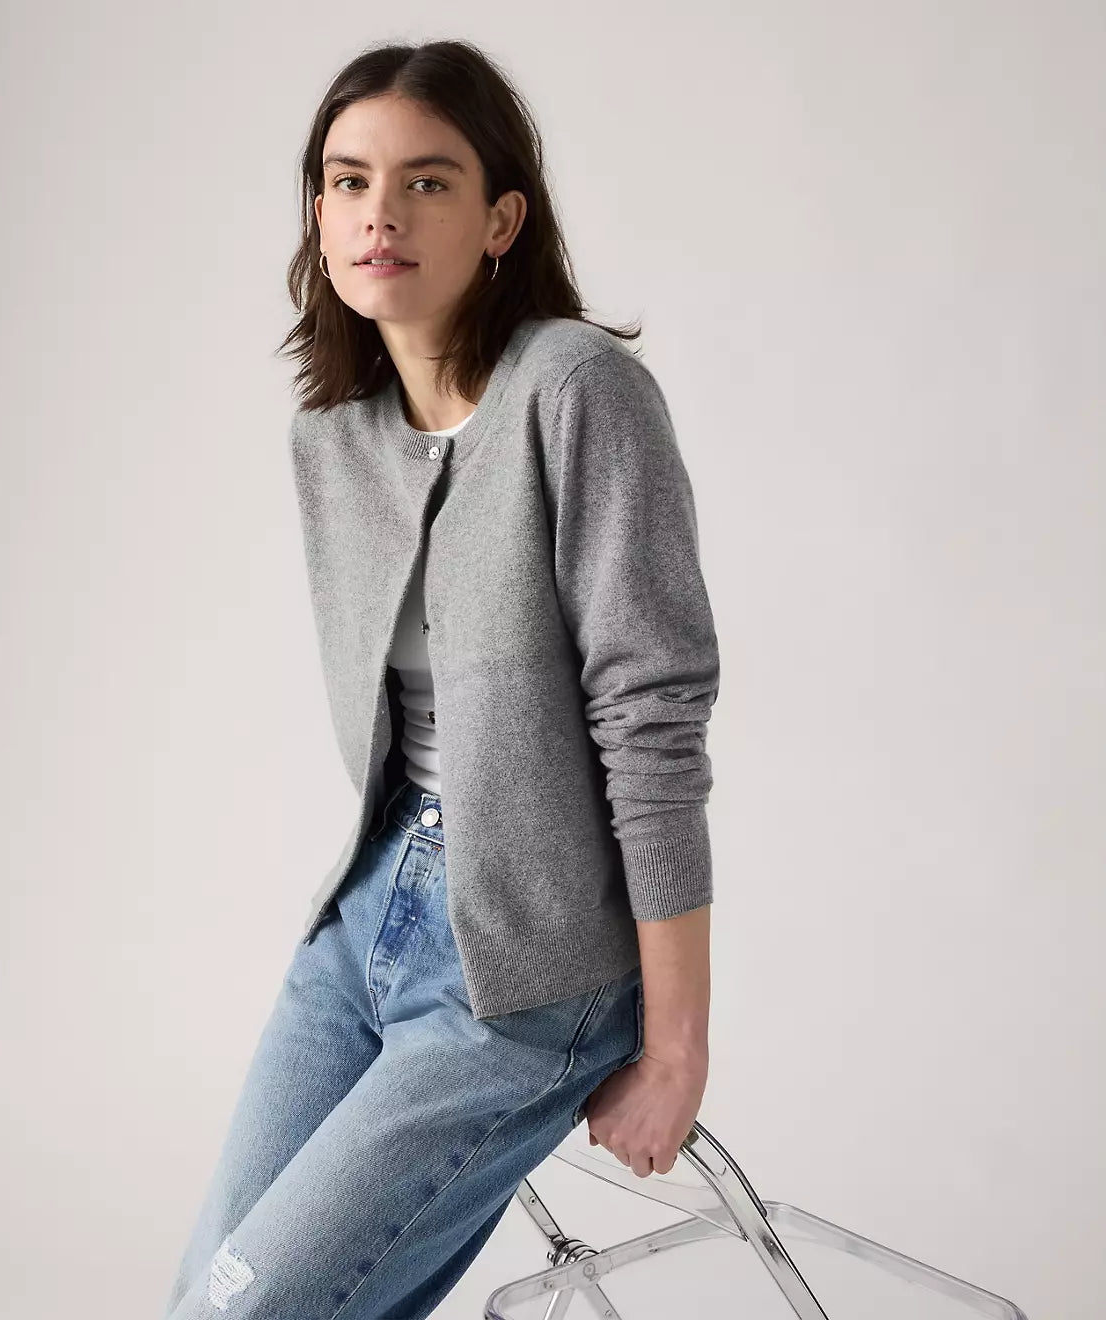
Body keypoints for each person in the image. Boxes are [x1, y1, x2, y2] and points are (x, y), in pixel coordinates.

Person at [163, 38, 717, 1320]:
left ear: (500, 219)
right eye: (349, 182)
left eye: (426, 182)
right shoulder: (333, 436)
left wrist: (675, 1042)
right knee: (207, 1295)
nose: (381, 215)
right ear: (319, 216)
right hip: (365, 919)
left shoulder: (578, 392)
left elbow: (652, 720)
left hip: (529, 967)